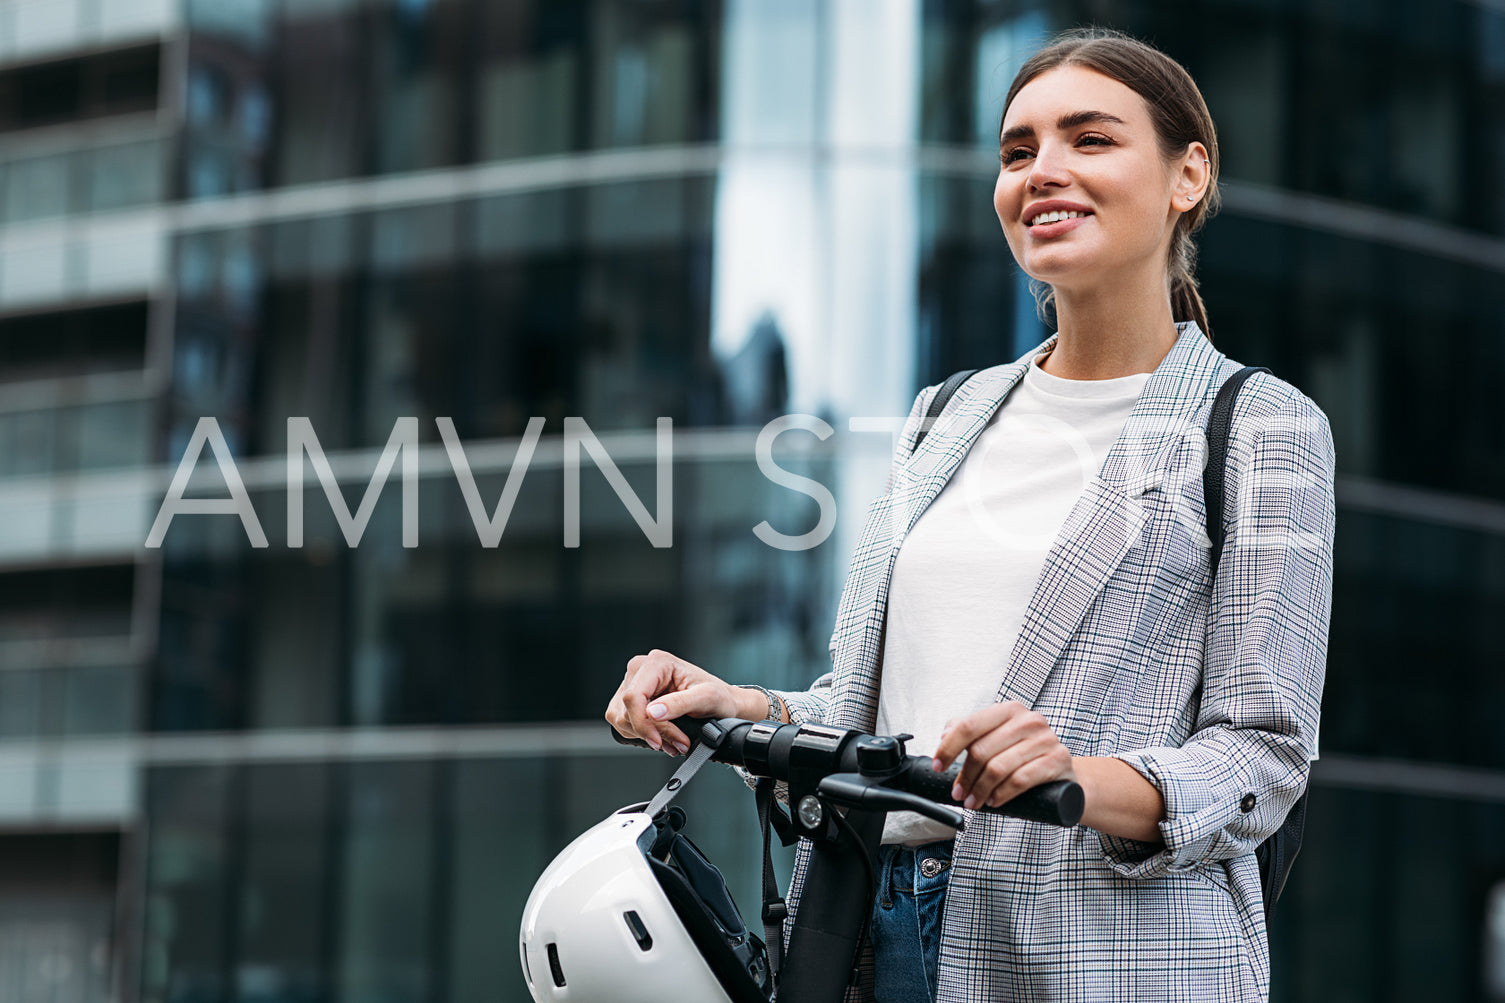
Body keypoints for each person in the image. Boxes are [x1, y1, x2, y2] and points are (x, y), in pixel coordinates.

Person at [607, 26, 1334, 1003]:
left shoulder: (1258, 424)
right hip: (875, 929)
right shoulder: (942, 415)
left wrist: (1072, 777)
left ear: (1185, 175)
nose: (1043, 171)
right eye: (1016, 150)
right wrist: (747, 711)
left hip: (1102, 953)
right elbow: (874, 719)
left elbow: (1259, 753)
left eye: (1089, 139)